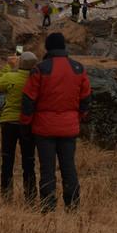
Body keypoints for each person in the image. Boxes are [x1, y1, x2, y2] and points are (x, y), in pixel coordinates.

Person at [20, 32, 91, 212]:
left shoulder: (40, 69)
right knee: (69, 168)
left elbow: (28, 99)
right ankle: (73, 208)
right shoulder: (78, 68)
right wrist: (79, 118)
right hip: (69, 128)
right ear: (64, 47)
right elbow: (86, 98)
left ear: (48, 47)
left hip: (44, 129)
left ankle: (48, 208)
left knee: (47, 169)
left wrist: (26, 123)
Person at [0, 51, 39, 204]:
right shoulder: (36, 81)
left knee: (7, 160)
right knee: (29, 162)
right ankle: (30, 198)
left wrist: (8, 66)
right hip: (28, 124)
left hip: (8, 122)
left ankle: (6, 197)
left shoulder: (11, 77)